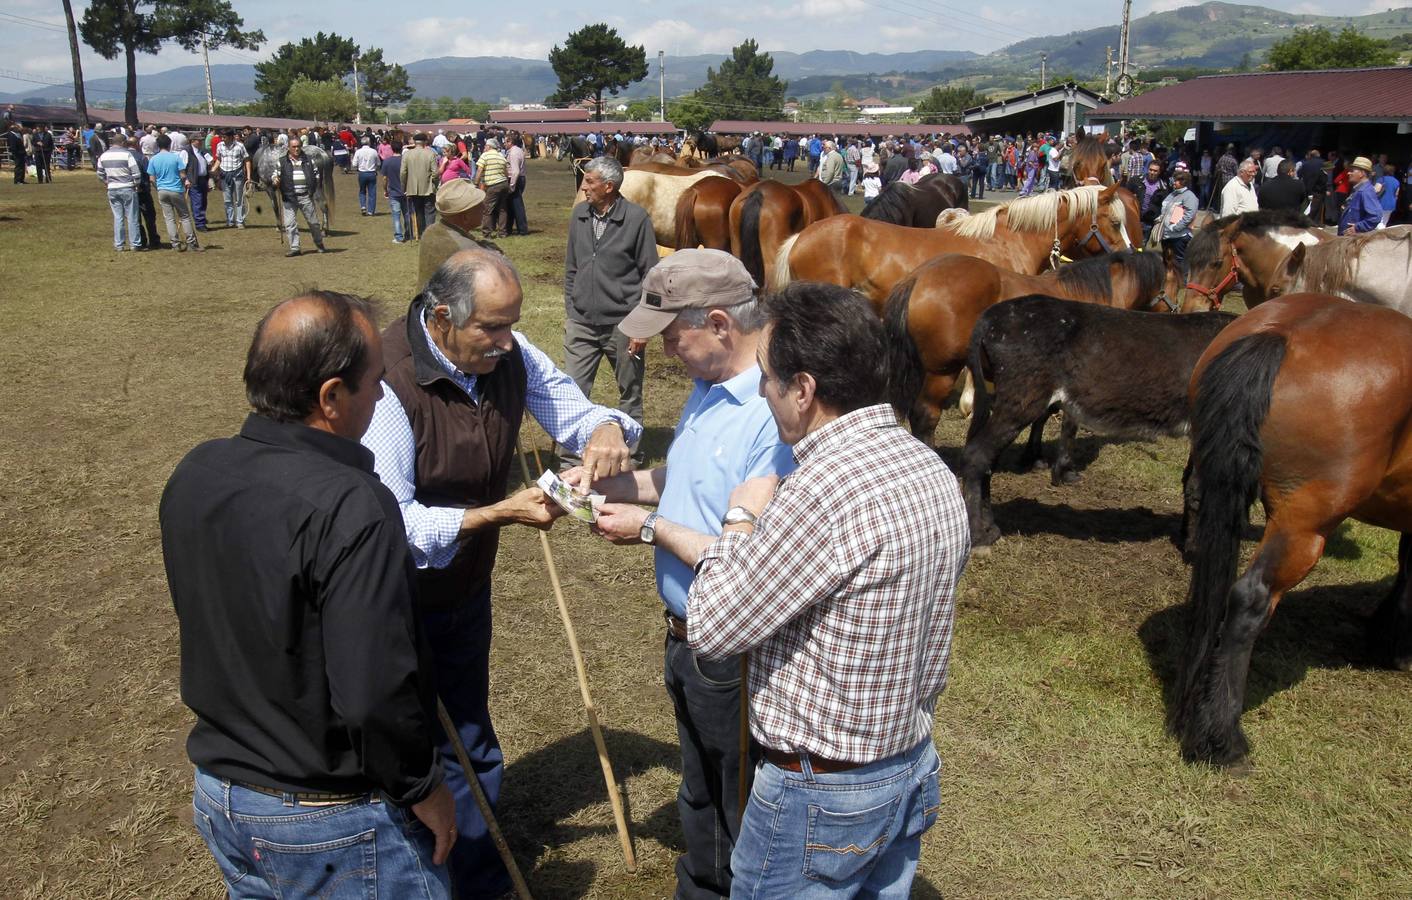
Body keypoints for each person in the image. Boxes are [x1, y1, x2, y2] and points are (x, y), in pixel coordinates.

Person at [361, 249, 638, 898]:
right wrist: (497, 513)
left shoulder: (504, 352)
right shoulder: (387, 384)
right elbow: (391, 523)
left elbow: (569, 407)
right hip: (391, 600)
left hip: (463, 586)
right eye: (491, 327)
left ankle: (470, 860)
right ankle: (460, 877)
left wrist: (601, 429)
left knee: (468, 733)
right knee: (413, 747)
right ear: (440, 317)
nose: (507, 341)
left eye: (511, 324)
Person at [161, 291, 456, 899]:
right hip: (332, 820)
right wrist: (422, 787)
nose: (382, 396)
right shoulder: (355, 504)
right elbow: (373, 687)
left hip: (223, 794)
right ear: (330, 397)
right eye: (375, 382)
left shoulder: (196, 472)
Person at [686, 281, 969, 899]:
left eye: (767, 377)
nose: (762, 391)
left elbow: (710, 626)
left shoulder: (821, 491)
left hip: (821, 792)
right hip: (909, 761)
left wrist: (741, 518)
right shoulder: (930, 467)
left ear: (804, 389)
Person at [571, 250, 796, 899]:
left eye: (672, 333)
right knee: (699, 789)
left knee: (734, 797)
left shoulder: (770, 410)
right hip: (686, 637)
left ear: (720, 323)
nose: (662, 348)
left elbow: (750, 555)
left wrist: (644, 528)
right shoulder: (708, 386)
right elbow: (688, 478)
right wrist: (606, 485)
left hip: (731, 649)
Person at [563, 156, 658, 464]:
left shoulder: (636, 219)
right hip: (582, 323)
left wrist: (642, 328)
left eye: (589, 182)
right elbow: (571, 269)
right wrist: (572, 309)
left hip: (624, 324)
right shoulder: (579, 215)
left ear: (609, 186)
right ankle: (570, 461)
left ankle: (630, 456)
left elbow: (651, 278)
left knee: (629, 391)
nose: (583, 187)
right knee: (573, 393)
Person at [417, 180, 495, 290]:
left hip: (424, 303)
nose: (484, 208)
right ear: (465, 217)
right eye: (479, 205)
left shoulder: (432, 231)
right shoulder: (468, 251)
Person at [148, 134, 202, 252]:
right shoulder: (175, 158)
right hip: (176, 190)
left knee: (169, 218)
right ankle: (191, 243)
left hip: (162, 191)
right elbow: (182, 175)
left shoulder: (153, 159)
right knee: (185, 216)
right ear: (169, 144)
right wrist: (185, 182)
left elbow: (152, 179)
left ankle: (175, 244)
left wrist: (158, 188)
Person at [274, 137, 326, 257]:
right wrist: (275, 180)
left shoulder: (308, 160)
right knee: (290, 224)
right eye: (294, 147)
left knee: (313, 223)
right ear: (289, 148)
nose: (297, 149)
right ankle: (295, 247)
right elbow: (275, 175)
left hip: (306, 196)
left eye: (298, 146)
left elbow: (316, 174)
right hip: (289, 197)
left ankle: (319, 243)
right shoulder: (281, 162)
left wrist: (313, 187)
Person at [98, 134, 142, 251]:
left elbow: (100, 173)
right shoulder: (127, 154)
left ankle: (119, 244)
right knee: (132, 217)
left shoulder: (103, 156)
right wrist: (136, 184)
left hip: (112, 188)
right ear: (123, 143)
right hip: (127, 187)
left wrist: (106, 182)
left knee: (118, 217)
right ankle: (135, 243)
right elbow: (136, 173)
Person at [1158, 168, 1199, 280]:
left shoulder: (1189, 196)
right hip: (1166, 235)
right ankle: (1168, 278)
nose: (1173, 182)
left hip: (1180, 236)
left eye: (1175, 180)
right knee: (1167, 258)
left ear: (1183, 182)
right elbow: (1165, 210)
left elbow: (1189, 214)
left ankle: (1181, 280)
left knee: (1180, 259)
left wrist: (1176, 228)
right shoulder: (1171, 195)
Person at [401, 133, 439, 240]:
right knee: (430, 212)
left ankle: (421, 233)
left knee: (418, 212)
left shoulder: (407, 154)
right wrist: (434, 183)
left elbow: (403, 173)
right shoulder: (430, 154)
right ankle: (429, 235)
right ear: (425, 142)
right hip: (428, 187)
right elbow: (435, 173)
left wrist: (404, 187)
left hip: (412, 188)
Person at [475, 138, 511, 240]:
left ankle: (486, 234)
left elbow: (479, 170)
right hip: (503, 184)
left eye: (486, 146)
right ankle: (502, 233)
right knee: (502, 209)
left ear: (489, 147)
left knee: (487, 210)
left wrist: (476, 183)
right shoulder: (501, 156)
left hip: (493, 185)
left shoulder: (485, 155)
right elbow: (506, 172)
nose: (484, 147)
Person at [215, 128, 250, 229]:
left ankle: (240, 221)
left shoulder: (240, 146)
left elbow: (247, 160)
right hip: (224, 174)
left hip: (237, 174)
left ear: (231, 137)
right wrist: (214, 169)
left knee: (239, 199)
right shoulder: (219, 146)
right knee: (227, 199)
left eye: (224, 137)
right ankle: (230, 221)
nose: (222, 139)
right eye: (221, 137)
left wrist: (248, 176)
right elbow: (218, 159)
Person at [1340, 156, 1383, 235]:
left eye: (1352, 171)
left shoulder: (1365, 191)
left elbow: (1376, 216)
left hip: (1353, 242)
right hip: (1348, 240)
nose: (1348, 173)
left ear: (1361, 173)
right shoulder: (1359, 189)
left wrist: (1358, 227)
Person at [383, 139, 408, 244]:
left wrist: (385, 190)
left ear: (392, 149)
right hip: (406, 191)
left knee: (396, 215)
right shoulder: (406, 160)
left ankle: (398, 236)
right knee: (407, 214)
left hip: (393, 192)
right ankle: (409, 234)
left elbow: (385, 178)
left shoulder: (387, 161)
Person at [355, 136, 381, 216]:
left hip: (362, 173)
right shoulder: (374, 151)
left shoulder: (358, 152)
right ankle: (371, 210)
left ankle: (363, 206)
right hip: (372, 173)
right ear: (369, 142)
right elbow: (379, 163)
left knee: (362, 191)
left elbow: (354, 163)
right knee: (372, 192)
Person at [1376, 162, 1400, 228]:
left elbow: (1376, 190)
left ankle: (1379, 236)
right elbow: (1396, 195)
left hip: (1381, 203)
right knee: (1384, 222)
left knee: (1378, 222)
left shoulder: (1382, 179)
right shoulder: (1396, 181)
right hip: (1391, 204)